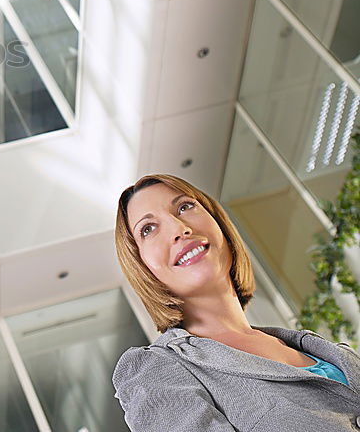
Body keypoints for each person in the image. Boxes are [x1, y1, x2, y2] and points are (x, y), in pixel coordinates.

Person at [112, 173, 360, 431]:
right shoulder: (156, 369)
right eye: (148, 229)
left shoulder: (325, 351)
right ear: (141, 266)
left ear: (219, 224)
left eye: (185, 206)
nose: (179, 229)